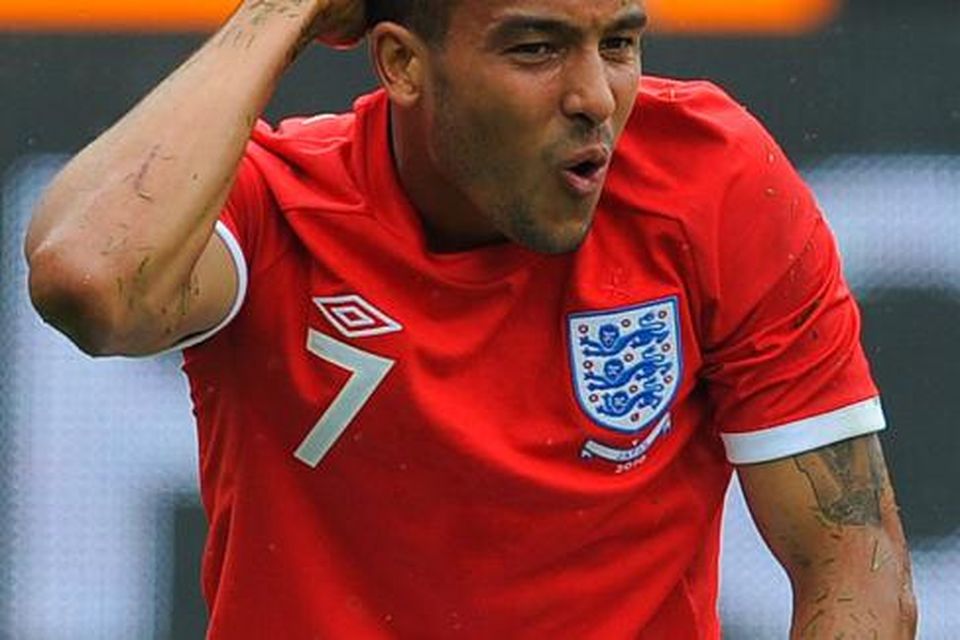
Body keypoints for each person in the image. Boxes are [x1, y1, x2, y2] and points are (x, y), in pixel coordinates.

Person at [24, 0, 917, 637]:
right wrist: (278, 11)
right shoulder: (277, 207)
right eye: (536, 49)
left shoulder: (710, 179)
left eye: (617, 42)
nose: (595, 97)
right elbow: (91, 284)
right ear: (403, 63)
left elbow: (852, 565)